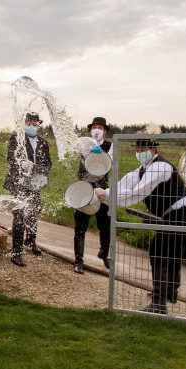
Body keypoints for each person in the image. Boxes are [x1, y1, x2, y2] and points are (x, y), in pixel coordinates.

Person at [94, 138, 186, 314]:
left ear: (153, 150)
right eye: (138, 149)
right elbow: (125, 184)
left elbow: (139, 192)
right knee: (171, 253)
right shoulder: (143, 169)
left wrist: (106, 195)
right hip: (174, 215)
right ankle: (170, 292)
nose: (139, 152)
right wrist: (107, 193)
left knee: (158, 251)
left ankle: (159, 303)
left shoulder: (159, 167)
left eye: (143, 149)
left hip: (180, 214)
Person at [3, 112, 52, 267]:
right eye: (29, 123)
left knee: (34, 211)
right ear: (25, 125)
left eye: (35, 124)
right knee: (19, 214)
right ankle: (16, 252)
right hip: (19, 181)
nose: (32, 126)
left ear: (39, 126)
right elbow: (11, 158)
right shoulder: (17, 139)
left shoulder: (43, 143)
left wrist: (40, 170)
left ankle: (30, 241)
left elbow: (48, 164)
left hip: (34, 182)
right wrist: (21, 163)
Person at [74, 116, 112, 273]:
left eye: (100, 128)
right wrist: (91, 149)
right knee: (80, 226)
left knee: (105, 225)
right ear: (91, 130)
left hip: (101, 188)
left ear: (105, 131)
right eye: (94, 127)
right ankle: (78, 261)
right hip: (84, 187)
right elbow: (77, 147)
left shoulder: (110, 146)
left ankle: (104, 253)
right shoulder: (84, 143)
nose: (97, 130)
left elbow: (111, 162)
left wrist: (102, 154)